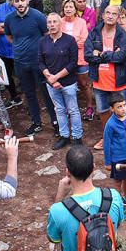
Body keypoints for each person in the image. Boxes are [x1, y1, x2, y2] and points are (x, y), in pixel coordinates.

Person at [5, 0, 56, 137]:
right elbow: (9, 36)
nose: (20, 3)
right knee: (29, 93)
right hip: (20, 62)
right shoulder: (9, 19)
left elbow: (47, 35)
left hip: (38, 62)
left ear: (27, 0)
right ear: (12, 2)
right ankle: (36, 122)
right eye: (16, 1)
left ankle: (55, 122)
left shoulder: (38, 16)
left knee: (46, 92)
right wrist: (19, 47)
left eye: (22, 0)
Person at [86, 5, 126, 149]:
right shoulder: (94, 32)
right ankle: (107, 138)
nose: (110, 16)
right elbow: (87, 55)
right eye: (108, 13)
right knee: (103, 111)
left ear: (118, 17)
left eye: (114, 14)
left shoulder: (122, 34)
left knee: (122, 111)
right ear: (103, 15)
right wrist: (111, 54)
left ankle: (124, 139)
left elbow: (121, 56)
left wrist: (99, 54)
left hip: (119, 82)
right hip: (100, 82)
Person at [37, 13, 83, 150]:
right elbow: (40, 62)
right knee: (59, 110)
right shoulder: (42, 41)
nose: (51, 25)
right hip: (51, 84)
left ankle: (77, 137)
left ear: (60, 24)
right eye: (49, 22)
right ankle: (64, 136)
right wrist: (50, 78)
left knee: (73, 110)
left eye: (54, 22)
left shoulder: (70, 40)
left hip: (68, 83)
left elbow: (73, 63)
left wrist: (55, 77)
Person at [0, 0, 23, 109]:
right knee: (6, 76)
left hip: (19, 49)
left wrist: (3, 25)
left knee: (23, 75)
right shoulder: (0, 8)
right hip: (3, 49)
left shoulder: (21, 8)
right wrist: (9, 29)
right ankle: (14, 97)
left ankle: (30, 100)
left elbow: (22, 27)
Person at [60, 0, 93, 120]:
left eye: (71, 7)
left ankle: (89, 107)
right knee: (68, 84)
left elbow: (84, 40)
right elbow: (58, 41)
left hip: (80, 58)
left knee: (84, 84)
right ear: (63, 9)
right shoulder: (60, 22)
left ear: (75, 9)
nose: (68, 9)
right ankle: (70, 107)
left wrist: (68, 44)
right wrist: (73, 42)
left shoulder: (81, 22)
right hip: (64, 60)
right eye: (66, 7)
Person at [103, 94, 126, 200]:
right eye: (119, 107)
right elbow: (107, 143)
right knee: (118, 182)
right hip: (117, 159)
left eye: (124, 105)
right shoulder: (110, 124)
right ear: (112, 109)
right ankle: (117, 203)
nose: (123, 109)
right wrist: (108, 162)